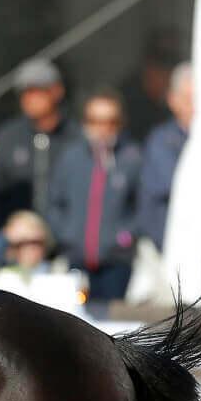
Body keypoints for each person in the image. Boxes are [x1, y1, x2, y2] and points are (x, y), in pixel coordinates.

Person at [46, 90, 142, 301]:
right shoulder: (71, 158)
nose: (103, 129)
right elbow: (54, 202)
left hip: (116, 262)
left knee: (112, 325)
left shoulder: (131, 158)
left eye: (110, 121)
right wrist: (66, 234)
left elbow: (142, 206)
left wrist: (125, 237)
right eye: (95, 121)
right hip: (76, 258)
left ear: (120, 123)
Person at [0, 58, 76, 228]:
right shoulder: (8, 136)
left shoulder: (75, 138)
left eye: (37, 91)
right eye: (25, 92)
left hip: (64, 238)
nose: (29, 98)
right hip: (18, 239)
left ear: (56, 91)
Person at [136, 62, 192, 252]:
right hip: (165, 245)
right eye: (188, 99)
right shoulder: (161, 140)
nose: (194, 106)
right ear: (172, 100)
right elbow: (177, 184)